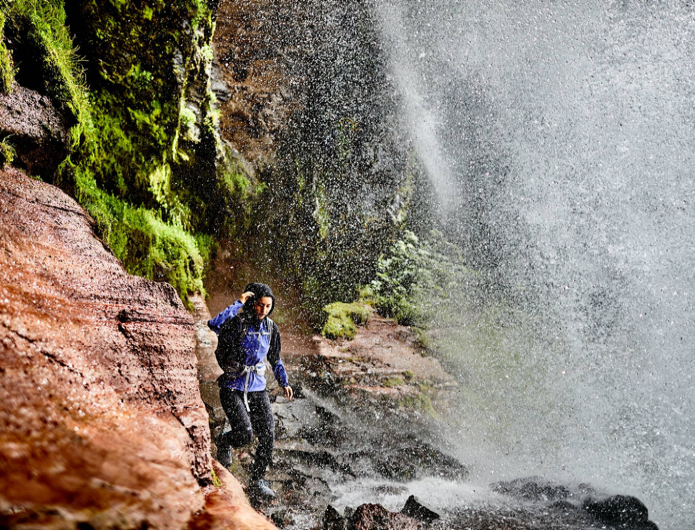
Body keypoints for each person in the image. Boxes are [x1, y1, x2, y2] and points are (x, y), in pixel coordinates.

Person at [208, 282, 293, 500]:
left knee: (267, 434)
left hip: (257, 387)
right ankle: (225, 441)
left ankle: (257, 480)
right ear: (252, 303)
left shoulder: (271, 329)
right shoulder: (238, 322)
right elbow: (214, 324)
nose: (264, 310)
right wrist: (239, 303)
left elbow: (275, 358)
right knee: (244, 433)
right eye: (260, 305)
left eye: (268, 306)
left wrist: (283, 381)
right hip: (232, 386)